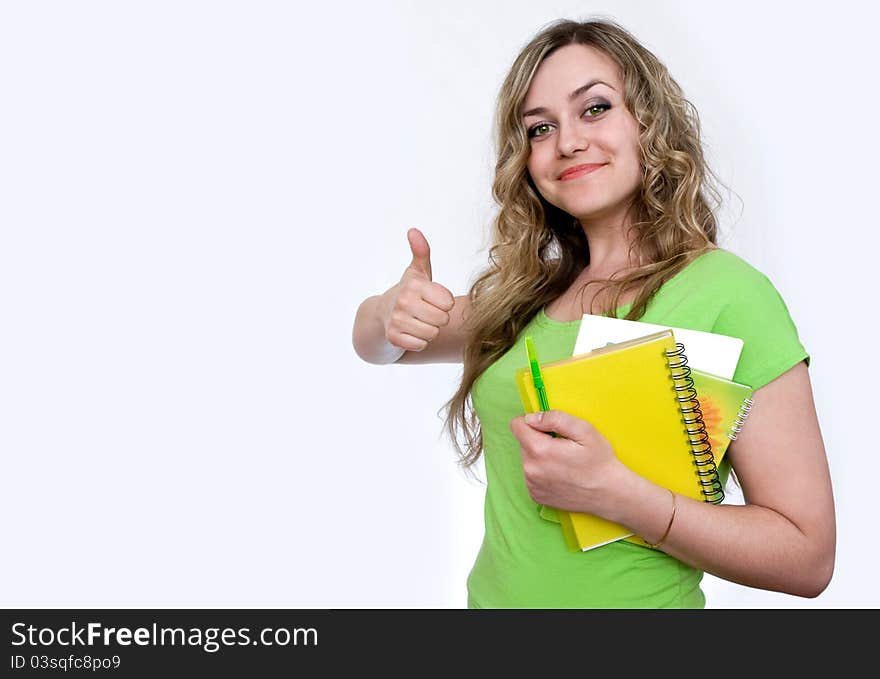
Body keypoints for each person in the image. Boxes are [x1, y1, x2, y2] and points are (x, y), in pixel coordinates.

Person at [351, 18, 835, 608]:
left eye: (596, 108)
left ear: (649, 123)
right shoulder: (526, 296)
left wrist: (619, 496)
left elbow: (808, 558)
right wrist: (385, 313)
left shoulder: (727, 294)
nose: (567, 142)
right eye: (540, 128)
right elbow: (382, 345)